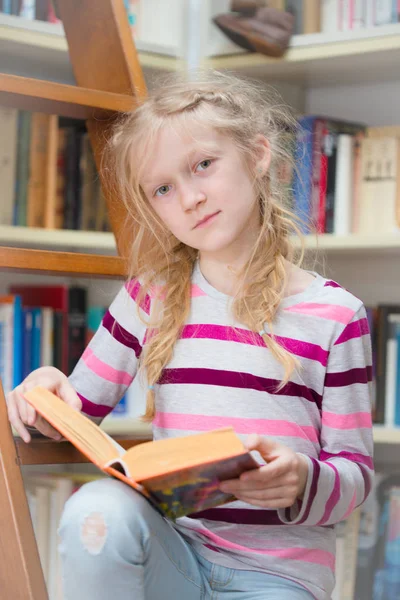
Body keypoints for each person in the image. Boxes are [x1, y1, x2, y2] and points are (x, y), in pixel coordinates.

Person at [7, 70, 374, 600]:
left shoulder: (336, 315)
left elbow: (354, 473)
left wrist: (300, 480)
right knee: (95, 509)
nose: (190, 198)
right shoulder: (148, 297)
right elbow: (75, 414)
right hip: (173, 558)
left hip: (277, 576)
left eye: (203, 165)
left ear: (258, 155)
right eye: (163, 188)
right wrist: (45, 392)